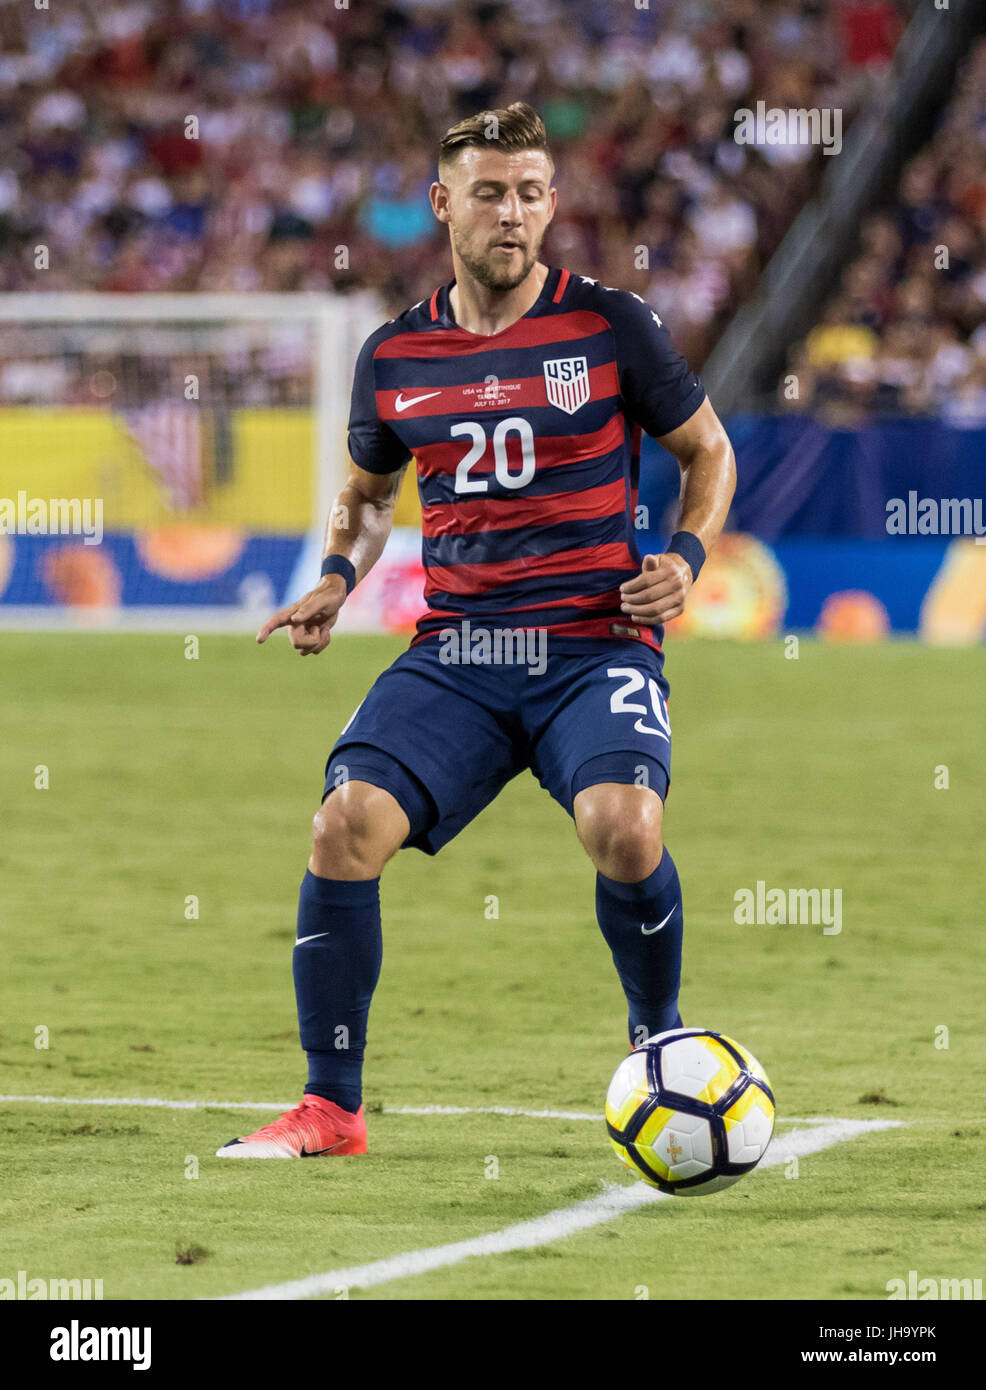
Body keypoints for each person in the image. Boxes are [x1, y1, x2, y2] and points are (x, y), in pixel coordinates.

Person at [217, 103, 735, 1160]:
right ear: (442, 204)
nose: (513, 212)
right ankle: (330, 1107)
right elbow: (366, 496)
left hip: (593, 642)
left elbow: (708, 453)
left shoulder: (608, 324)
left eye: (532, 191)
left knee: (625, 828)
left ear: (552, 204)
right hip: (458, 650)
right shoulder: (395, 353)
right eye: (491, 192)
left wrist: (681, 560)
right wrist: (332, 577)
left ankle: (657, 1048)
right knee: (343, 824)